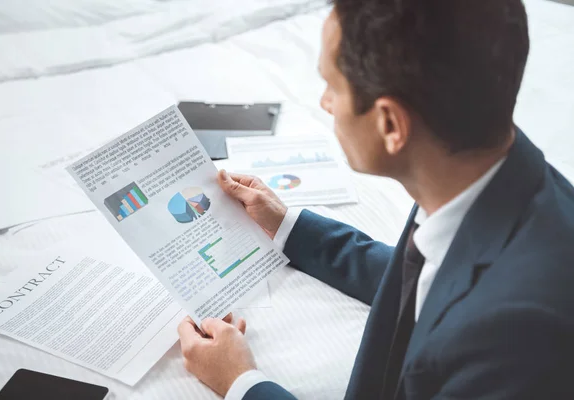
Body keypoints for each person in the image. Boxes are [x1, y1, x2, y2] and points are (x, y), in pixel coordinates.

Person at [177, 0, 574, 398]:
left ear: (390, 125)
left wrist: (240, 382)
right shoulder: (483, 171)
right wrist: (288, 226)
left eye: (332, 86)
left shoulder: (511, 341)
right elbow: (426, 281)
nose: (324, 103)